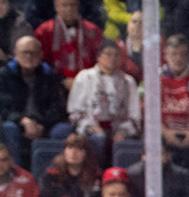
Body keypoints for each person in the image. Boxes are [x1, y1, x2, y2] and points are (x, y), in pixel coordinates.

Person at [0, 34, 69, 168]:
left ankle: (52, 174)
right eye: (25, 52)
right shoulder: (4, 76)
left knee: (63, 129)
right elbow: (3, 107)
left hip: (44, 123)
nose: (29, 56)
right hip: (17, 123)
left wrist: (41, 124)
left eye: (34, 53)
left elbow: (58, 107)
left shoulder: (50, 76)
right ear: (16, 54)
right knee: (8, 128)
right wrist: (23, 121)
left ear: (41, 54)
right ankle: (15, 173)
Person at [64, 35, 134, 164]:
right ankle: (96, 173)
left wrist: (123, 130)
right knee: (98, 138)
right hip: (91, 128)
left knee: (123, 141)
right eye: (108, 54)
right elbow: (74, 111)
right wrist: (89, 126)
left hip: (118, 128)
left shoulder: (128, 81)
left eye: (116, 55)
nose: (112, 58)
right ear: (99, 57)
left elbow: (134, 115)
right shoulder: (84, 77)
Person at [156, 34, 189, 156]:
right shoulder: (155, 76)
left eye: (183, 54)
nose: (178, 58)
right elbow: (147, 110)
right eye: (174, 54)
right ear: (165, 55)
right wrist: (165, 132)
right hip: (164, 135)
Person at [35, 0, 98, 89]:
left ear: (78, 6)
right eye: (65, 5)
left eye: (73, 5)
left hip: (88, 83)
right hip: (54, 84)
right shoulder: (45, 31)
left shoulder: (92, 30)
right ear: (56, 7)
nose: (69, 9)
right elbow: (41, 62)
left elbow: (98, 58)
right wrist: (61, 80)